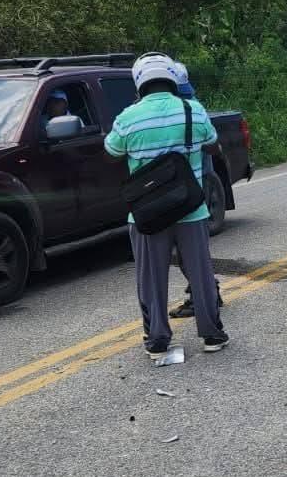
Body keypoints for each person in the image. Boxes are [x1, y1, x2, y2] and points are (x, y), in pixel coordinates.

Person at [105, 53, 229, 359]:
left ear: (139, 84)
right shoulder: (193, 110)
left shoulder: (127, 117)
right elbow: (212, 142)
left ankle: (158, 339)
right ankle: (212, 335)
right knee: (200, 273)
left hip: (147, 214)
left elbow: (111, 151)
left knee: (151, 278)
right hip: (191, 209)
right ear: (172, 79)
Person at [168, 61, 219, 320]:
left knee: (187, 251)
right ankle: (209, 292)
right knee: (194, 250)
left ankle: (204, 295)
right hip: (197, 184)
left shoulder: (187, 106)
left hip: (188, 189)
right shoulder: (191, 105)